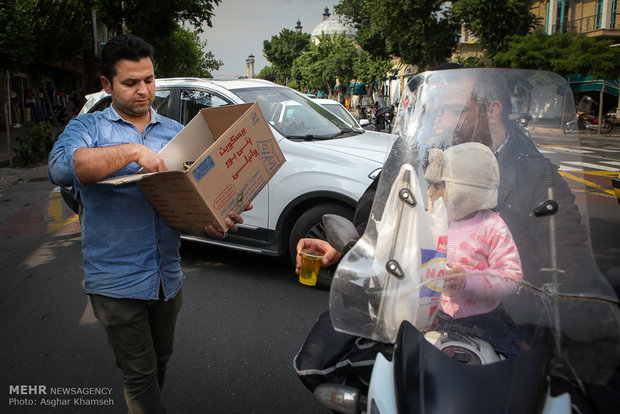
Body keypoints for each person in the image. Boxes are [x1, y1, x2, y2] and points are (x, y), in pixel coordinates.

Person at [294, 68, 619, 411]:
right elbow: (377, 218)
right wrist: (352, 249)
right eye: (436, 109)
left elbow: (572, 258)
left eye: (452, 109)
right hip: (409, 306)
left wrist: (587, 303)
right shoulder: (420, 153)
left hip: (505, 320)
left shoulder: (539, 175)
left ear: (491, 111)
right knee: (320, 366)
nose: (440, 119)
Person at [48, 34, 249, 413]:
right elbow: (60, 168)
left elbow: (186, 201)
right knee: (139, 376)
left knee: (158, 363)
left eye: (150, 80)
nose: (144, 91)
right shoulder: (88, 128)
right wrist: (132, 151)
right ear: (107, 84)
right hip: (116, 285)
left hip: (167, 280)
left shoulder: (175, 133)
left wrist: (212, 218)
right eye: (131, 83)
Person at [423, 143, 522, 358]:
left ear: (465, 190)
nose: (429, 193)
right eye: (429, 185)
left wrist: (470, 279)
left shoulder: (492, 227)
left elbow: (511, 277)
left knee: (513, 364)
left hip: (482, 320)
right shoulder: (433, 220)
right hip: (437, 314)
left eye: (438, 186)